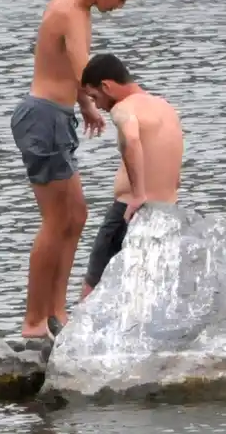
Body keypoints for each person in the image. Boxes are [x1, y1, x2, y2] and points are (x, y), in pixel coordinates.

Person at [10, 0, 147, 338]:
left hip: (57, 117)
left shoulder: (78, 8)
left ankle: (57, 311)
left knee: (77, 216)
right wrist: (125, 102)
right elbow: (89, 72)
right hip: (43, 119)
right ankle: (34, 321)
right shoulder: (69, 10)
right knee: (56, 221)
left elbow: (75, 69)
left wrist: (85, 104)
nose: (118, 7)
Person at [77, 53, 184, 298]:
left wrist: (138, 194)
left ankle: (84, 337)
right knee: (153, 288)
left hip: (129, 211)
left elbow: (131, 138)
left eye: (95, 97)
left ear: (107, 86)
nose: (99, 107)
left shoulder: (124, 108)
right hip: (168, 211)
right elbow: (176, 168)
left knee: (94, 289)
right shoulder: (165, 107)